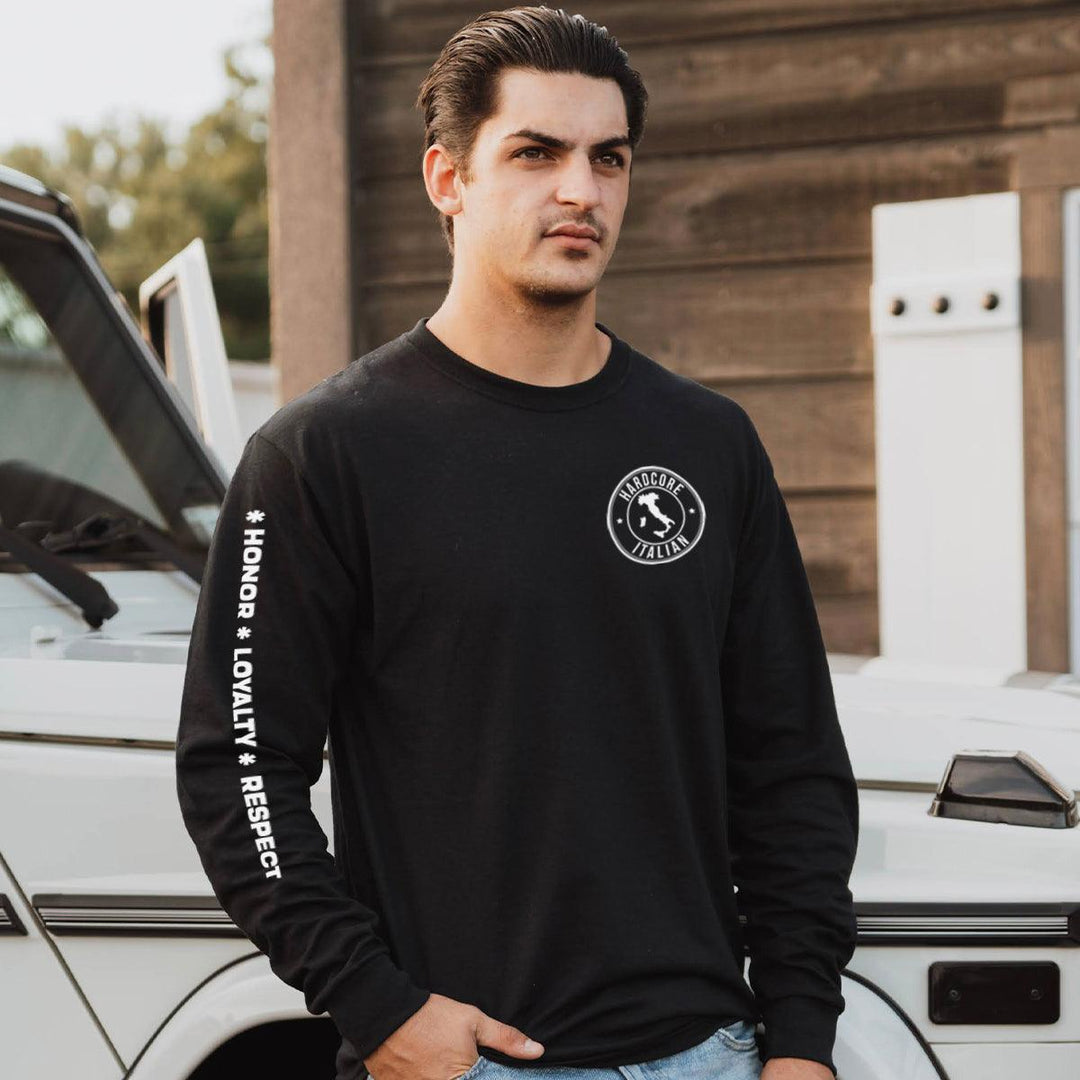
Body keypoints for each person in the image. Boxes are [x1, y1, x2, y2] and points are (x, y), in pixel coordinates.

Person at [175, 7, 860, 1080]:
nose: (581, 189)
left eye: (608, 158)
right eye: (537, 153)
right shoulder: (324, 454)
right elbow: (238, 769)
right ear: (447, 178)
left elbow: (793, 763)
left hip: (710, 1052)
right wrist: (376, 1005)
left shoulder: (708, 444)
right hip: (469, 1060)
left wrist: (803, 1036)